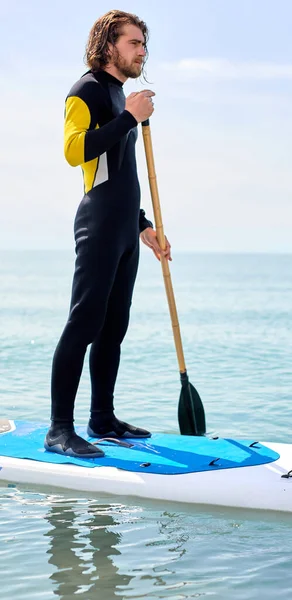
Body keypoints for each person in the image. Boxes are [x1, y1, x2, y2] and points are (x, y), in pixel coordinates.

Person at [45, 10, 171, 458]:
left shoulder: (121, 96)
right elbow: (74, 152)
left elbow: (119, 172)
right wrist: (129, 119)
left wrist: (143, 226)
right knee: (84, 322)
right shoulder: (88, 91)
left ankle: (102, 418)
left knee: (114, 327)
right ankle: (60, 429)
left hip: (122, 226)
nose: (142, 51)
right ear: (109, 45)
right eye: (134, 42)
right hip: (97, 224)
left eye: (143, 44)